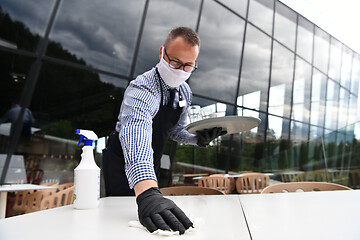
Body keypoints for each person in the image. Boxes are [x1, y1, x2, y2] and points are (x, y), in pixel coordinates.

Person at [102, 27, 226, 234]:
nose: (180, 70)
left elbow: (175, 131)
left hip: (153, 161)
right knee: (120, 223)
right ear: (162, 53)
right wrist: (148, 192)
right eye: (175, 62)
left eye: (188, 66)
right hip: (122, 162)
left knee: (155, 224)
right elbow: (136, 132)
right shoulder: (142, 88)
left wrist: (197, 139)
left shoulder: (185, 91)